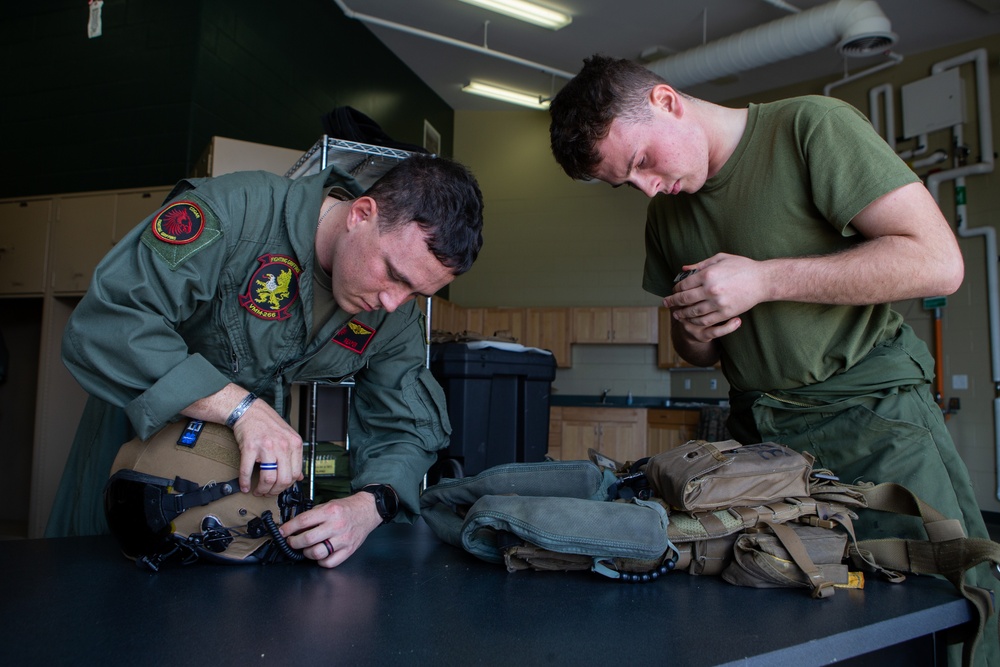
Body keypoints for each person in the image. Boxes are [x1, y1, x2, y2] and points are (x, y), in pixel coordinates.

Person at [549, 55, 997, 663]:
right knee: (795, 618)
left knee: (940, 606)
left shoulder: (811, 127)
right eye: (626, 183)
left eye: (642, 163)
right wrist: (698, 326)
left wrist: (763, 280)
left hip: (872, 422)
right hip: (761, 444)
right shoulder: (665, 215)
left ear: (665, 100)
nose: (648, 188)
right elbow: (695, 352)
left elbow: (938, 263)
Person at [50, 153, 485, 569]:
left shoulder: (394, 316)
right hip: (135, 440)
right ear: (361, 213)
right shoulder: (233, 214)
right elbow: (108, 324)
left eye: (416, 293)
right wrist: (240, 407)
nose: (393, 303)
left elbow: (406, 425)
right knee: (93, 595)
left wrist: (369, 506)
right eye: (393, 274)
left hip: (235, 480)